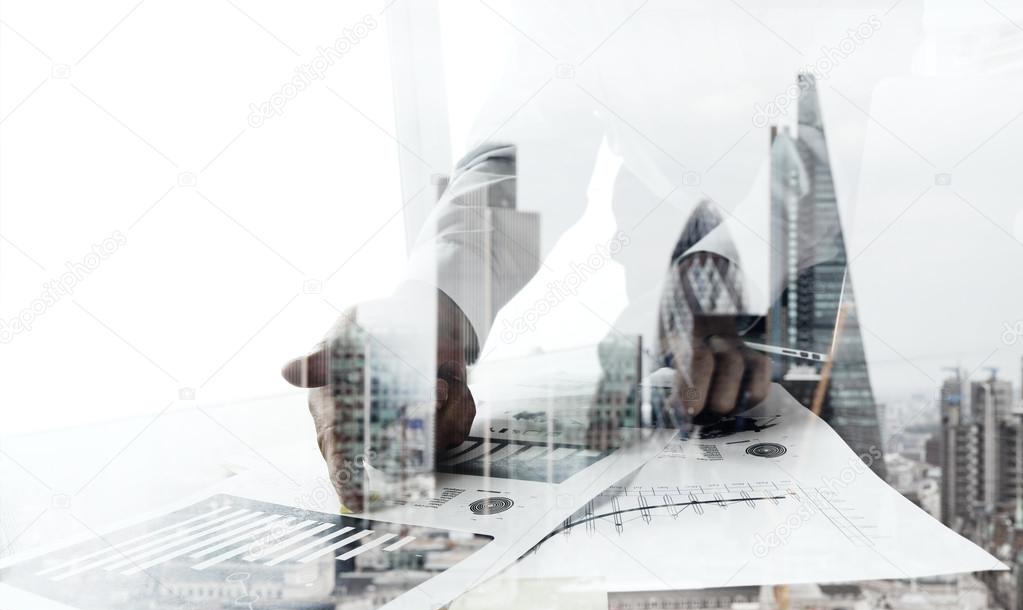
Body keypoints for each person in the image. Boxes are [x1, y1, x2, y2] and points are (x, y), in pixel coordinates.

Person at [282, 0, 914, 510]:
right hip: (677, 254)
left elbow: (854, 110)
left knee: (882, 492)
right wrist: (433, 304)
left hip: (880, 242)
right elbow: (528, 149)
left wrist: (730, 263)